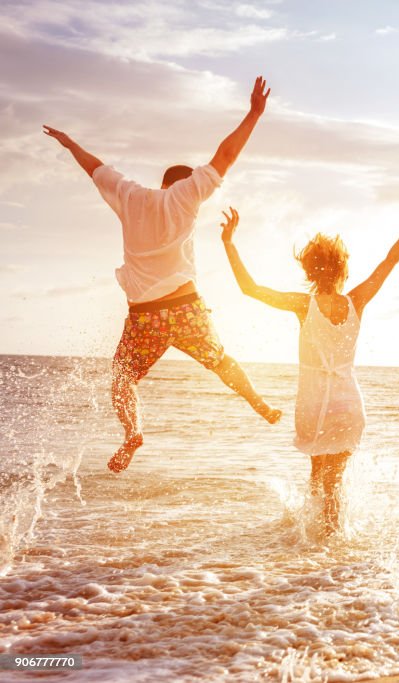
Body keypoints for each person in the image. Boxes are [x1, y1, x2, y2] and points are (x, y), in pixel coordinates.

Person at [43, 76, 279, 473]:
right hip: (186, 308)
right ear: (185, 184)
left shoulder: (131, 196)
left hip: (144, 317)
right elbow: (225, 155)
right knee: (221, 362)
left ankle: (132, 432)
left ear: (163, 182)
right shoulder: (186, 196)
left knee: (122, 380)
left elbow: (96, 169)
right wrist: (253, 114)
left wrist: (69, 144)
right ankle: (259, 403)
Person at [220, 186, 399, 536]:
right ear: (343, 269)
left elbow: (250, 288)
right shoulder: (357, 300)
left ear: (308, 271)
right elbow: (390, 261)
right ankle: (324, 553)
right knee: (334, 479)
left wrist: (229, 243)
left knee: (319, 476)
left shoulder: (303, 305)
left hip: (313, 401)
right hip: (348, 400)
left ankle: (318, 547)